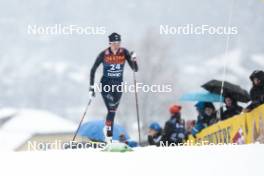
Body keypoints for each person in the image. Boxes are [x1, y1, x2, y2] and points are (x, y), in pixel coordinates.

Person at [89, 32, 138, 143]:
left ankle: (107, 130)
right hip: (106, 85)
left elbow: (135, 69)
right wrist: (91, 88)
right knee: (111, 109)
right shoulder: (104, 54)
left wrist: (134, 59)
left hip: (118, 86)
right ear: (110, 43)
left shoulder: (124, 52)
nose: (117, 45)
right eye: (114, 43)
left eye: (118, 42)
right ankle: (109, 137)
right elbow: (93, 70)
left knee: (113, 112)